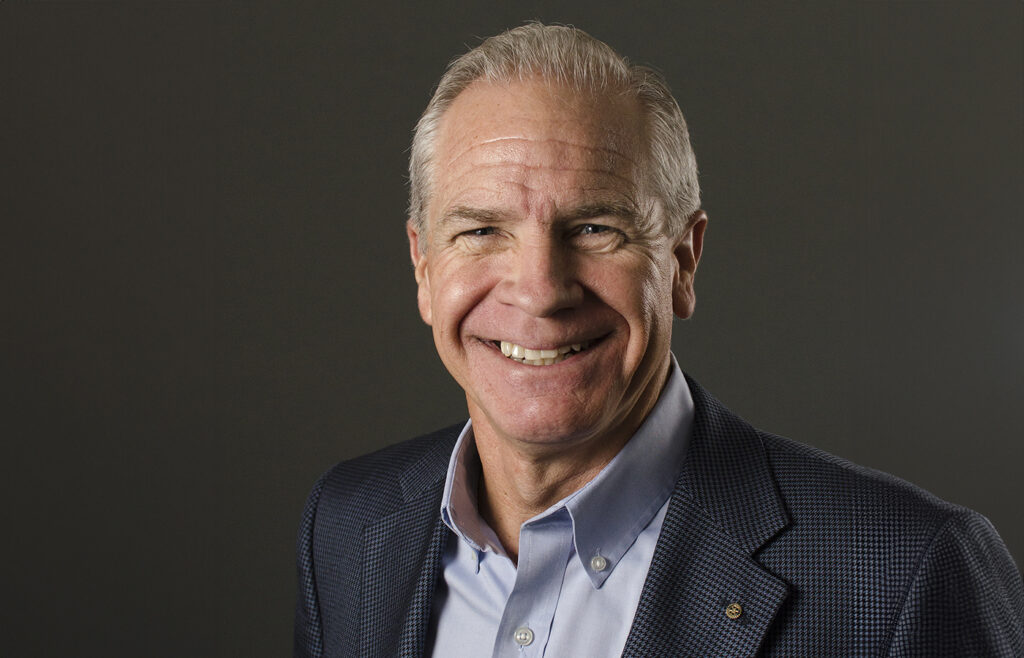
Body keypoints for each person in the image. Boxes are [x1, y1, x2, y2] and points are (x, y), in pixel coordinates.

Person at [295, 23, 1023, 657]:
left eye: (594, 229)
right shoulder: (349, 527)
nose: (541, 289)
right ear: (424, 266)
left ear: (682, 259)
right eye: (481, 231)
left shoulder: (904, 574)